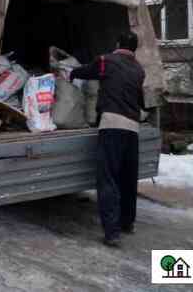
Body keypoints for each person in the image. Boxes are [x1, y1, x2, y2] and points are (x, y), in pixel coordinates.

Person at [70, 31, 145, 247]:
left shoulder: (107, 60)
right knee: (128, 179)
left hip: (112, 125)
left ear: (118, 44)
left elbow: (89, 71)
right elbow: (140, 99)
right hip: (133, 128)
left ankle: (111, 232)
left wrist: (72, 73)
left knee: (108, 179)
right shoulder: (139, 69)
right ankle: (127, 223)